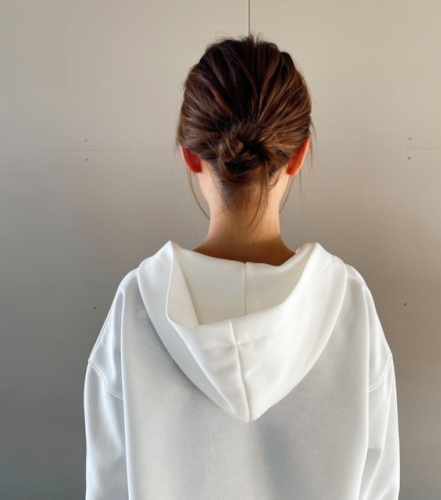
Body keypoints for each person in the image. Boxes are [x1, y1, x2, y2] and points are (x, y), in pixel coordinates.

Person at [83, 33, 400, 500]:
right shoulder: (347, 301)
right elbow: (378, 484)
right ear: (299, 156)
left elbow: (108, 483)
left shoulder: (139, 303)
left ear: (190, 154)